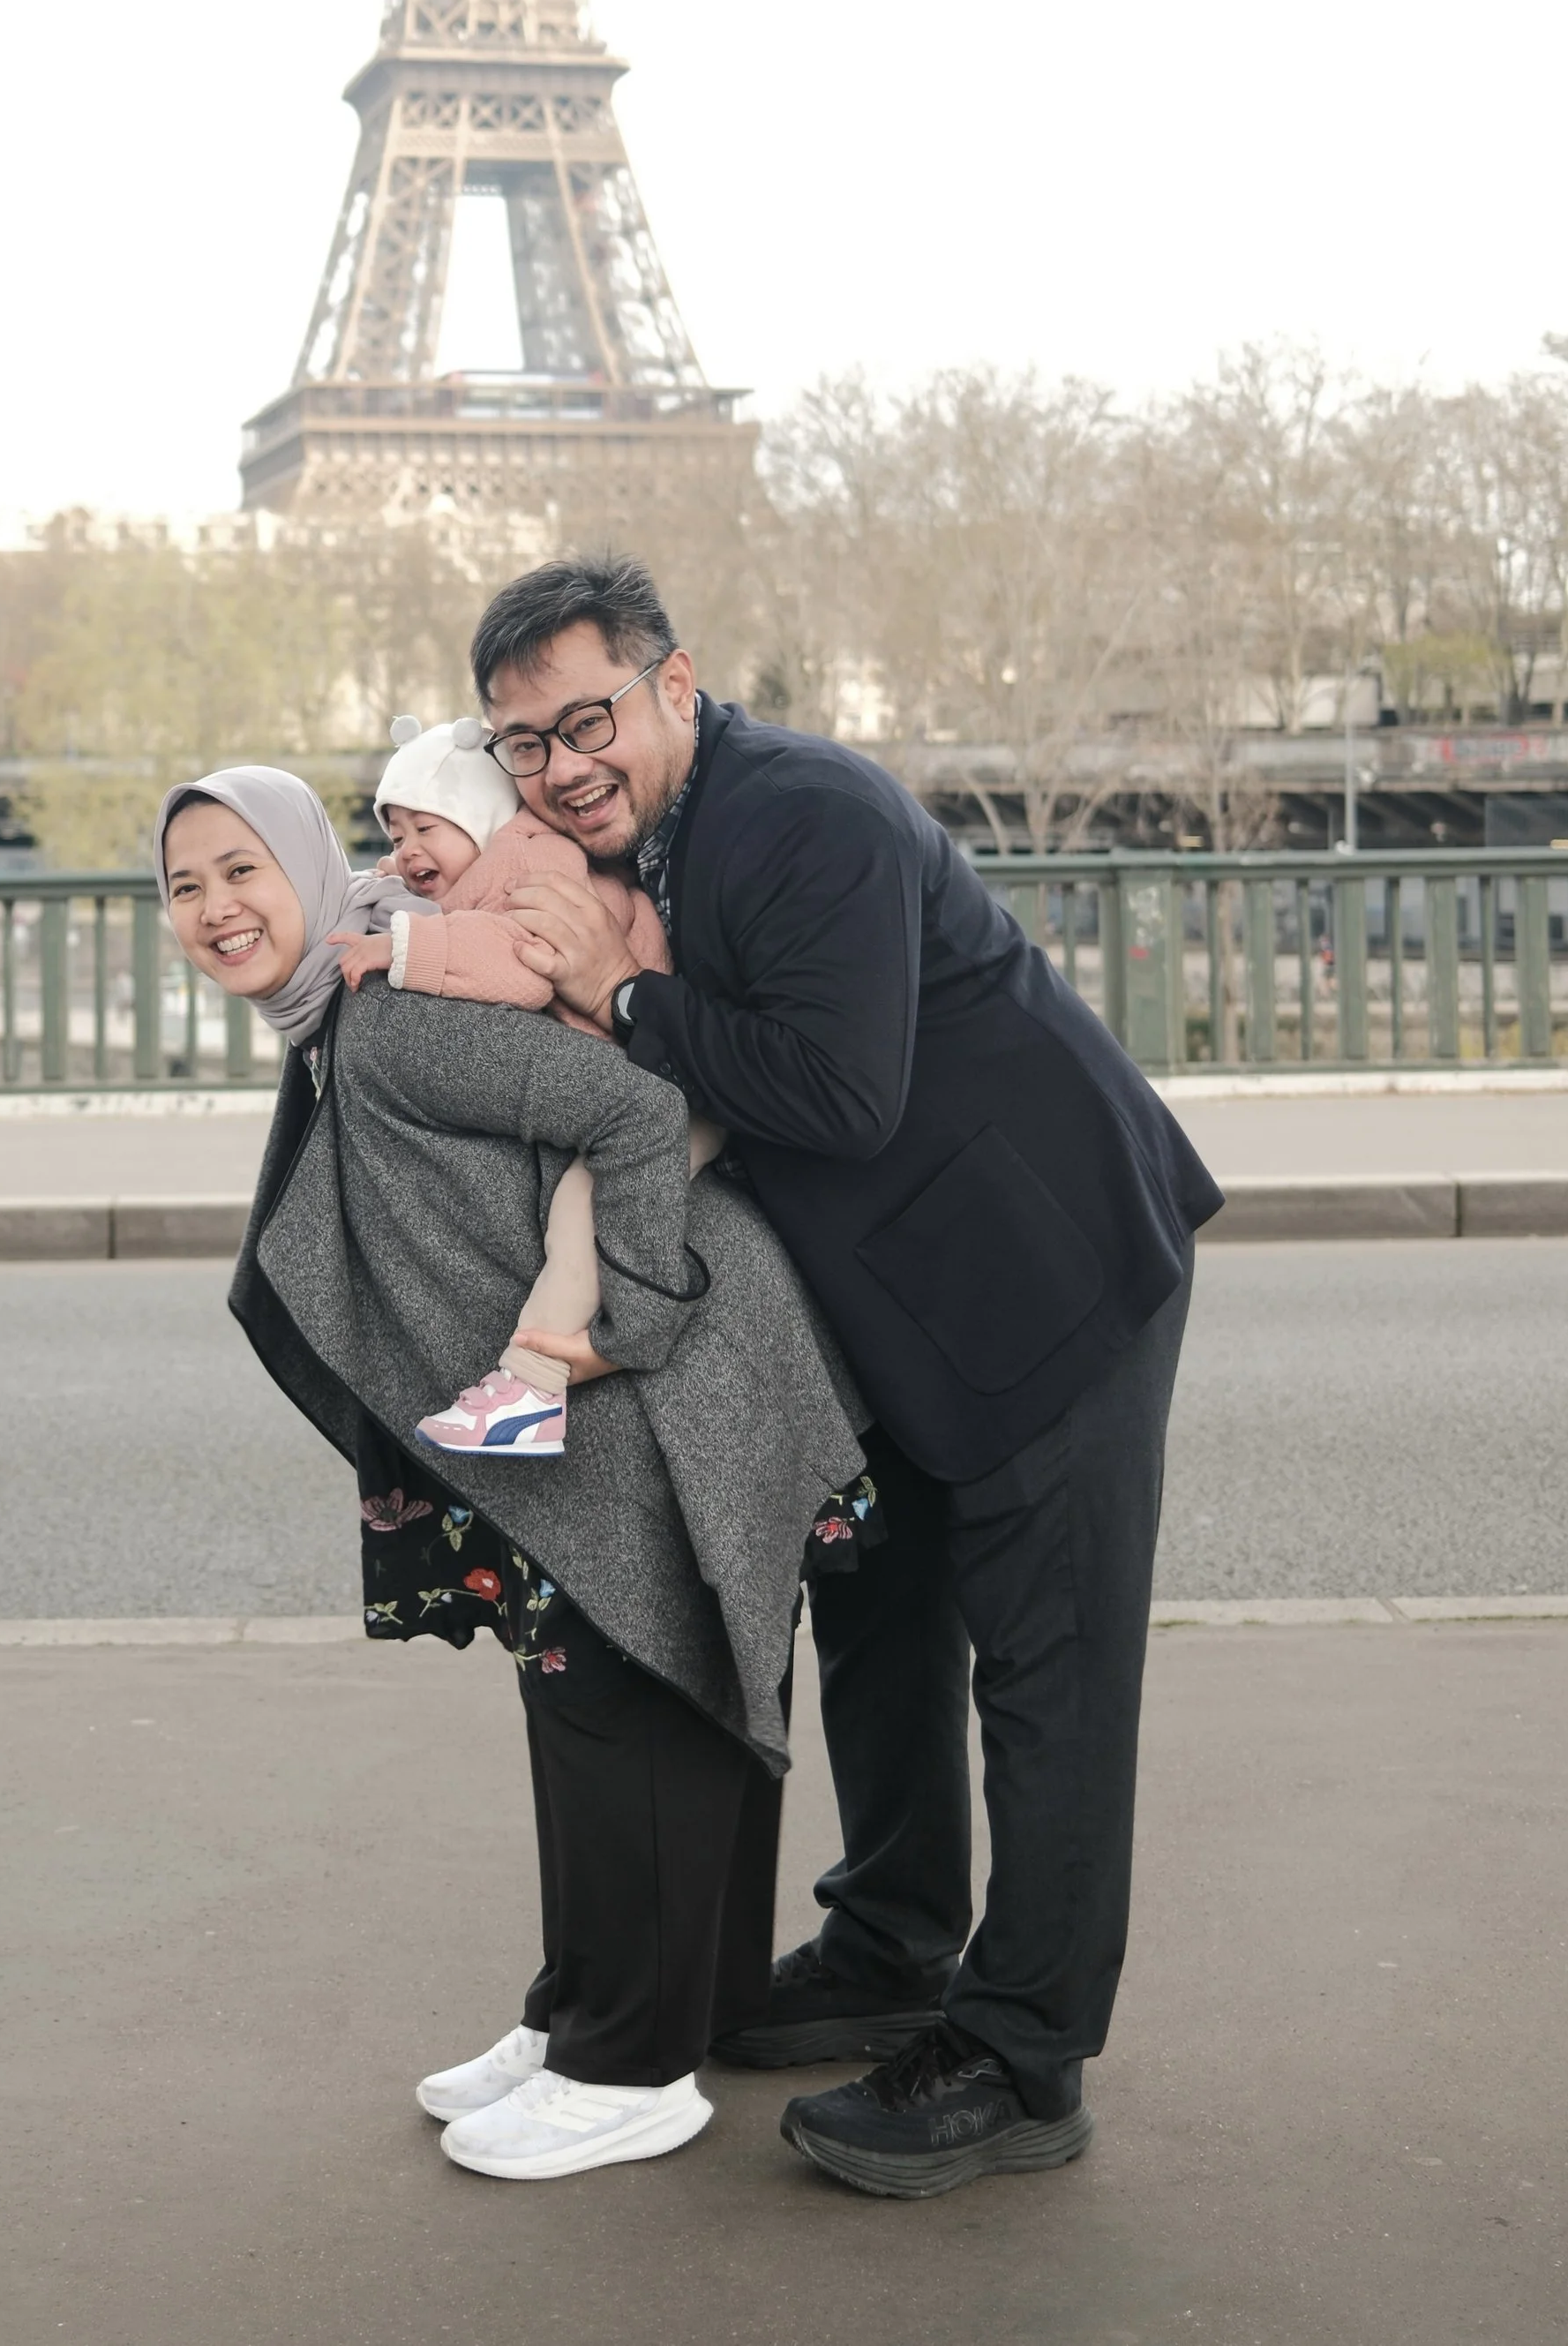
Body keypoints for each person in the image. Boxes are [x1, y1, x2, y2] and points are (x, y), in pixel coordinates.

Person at [466, 552, 1224, 2201]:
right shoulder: (641, 839)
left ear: (678, 685)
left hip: (1048, 1273)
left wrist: (620, 988)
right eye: (520, 741)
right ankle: (890, 1946)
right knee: (882, 1621)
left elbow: (834, 1090)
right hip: (898, 1316)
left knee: (1048, 1679)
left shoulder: (802, 812)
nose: (559, 763)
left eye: (586, 716)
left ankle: (1025, 2057)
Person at [157, 763, 867, 2183]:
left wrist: (628, 1315)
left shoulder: (397, 1015)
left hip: (661, 1387)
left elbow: (640, 1112)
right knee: (594, 1708)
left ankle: (634, 2068)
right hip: (608, 1405)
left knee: (625, 1707)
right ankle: (592, 2016)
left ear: (307, 864)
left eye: (244, 868)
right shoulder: (355, 1013)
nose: (219, 906)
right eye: (185, 886)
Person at [341, 714, 711, 1461]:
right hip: (632, 1076)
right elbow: (459, 902)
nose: (408, 852)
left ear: (480, 818)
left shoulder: (539, 863)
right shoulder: (488, 866)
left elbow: (519, 959)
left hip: (679, 1088)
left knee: (581, 1207)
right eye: (396, 833)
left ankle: (532, 1386)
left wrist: (400, 945)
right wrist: (392, 881)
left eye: (426, 829)